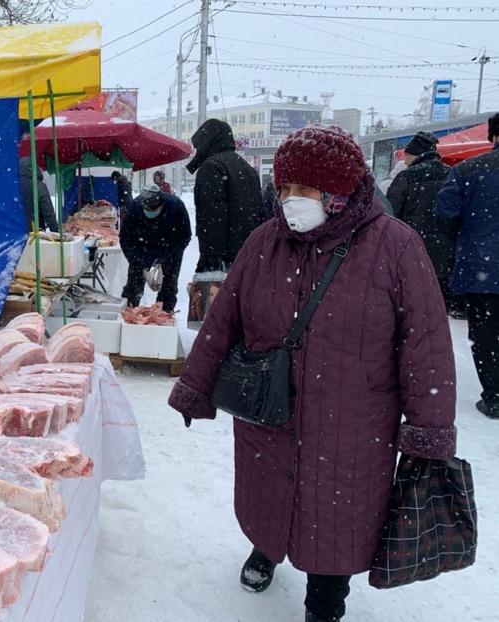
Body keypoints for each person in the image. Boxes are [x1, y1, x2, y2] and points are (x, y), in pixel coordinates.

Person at [169, 126, 457, 621]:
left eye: (304, 190)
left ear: (337, 191)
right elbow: (224, 319)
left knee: (336, 513)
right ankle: (266, 548)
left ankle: (327, 596)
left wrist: (429, 428)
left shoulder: (396, 247)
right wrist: (196, 386)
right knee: (267, 494)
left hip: (355, 421)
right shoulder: (265, 242)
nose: (290, 202)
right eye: (284, 189)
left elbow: (426, 343)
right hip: (269, 410)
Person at [437, 112, 499, 419]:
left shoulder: (468, 170)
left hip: (482, 269)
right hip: (483, 264)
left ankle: (494, 395)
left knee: (486, 333)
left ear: (493, 137)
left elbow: (445, 213)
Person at [386, 131, 458, 313]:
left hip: (412, 245)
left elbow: (389, 213)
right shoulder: (451, 173)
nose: (405, 160)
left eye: (406, 155)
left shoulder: (406, 177)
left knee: (414, 300)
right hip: (447, 248)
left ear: (414, 154)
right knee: (439, 304)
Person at [186, 119, 263, 273]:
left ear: (208, 141)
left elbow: (212, 217)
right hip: (248, 253)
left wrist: (210, 260)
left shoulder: (211, 167)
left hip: (222, 259)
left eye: (198, 145)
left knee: (216, 296)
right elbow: (258, 213)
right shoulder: (247, 168)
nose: (197, 150)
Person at [120, 186, 192, 312]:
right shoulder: (135, 206)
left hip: (169, 248)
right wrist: (136, 260)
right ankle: (129, 314)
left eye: (154, 210)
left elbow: (185, 236)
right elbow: (125, 238)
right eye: (147, 209)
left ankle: (164, 316)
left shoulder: (176, 206)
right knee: (133, 286)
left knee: (169, 288)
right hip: (142, 248)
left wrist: (168, 258)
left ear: (162, 204)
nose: (150, 212)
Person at [19, 156, 60, 231]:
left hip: (15, 232)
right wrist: (55, 230)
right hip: (35, 232)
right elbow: (48, 211)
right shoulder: (39, 185)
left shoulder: (13, 185)